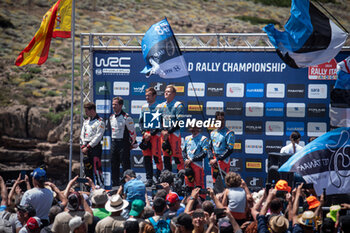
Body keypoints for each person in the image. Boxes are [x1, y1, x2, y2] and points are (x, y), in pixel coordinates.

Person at [109, 97, 136, 186]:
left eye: (115, 104)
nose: (113, 106)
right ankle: (115, 185)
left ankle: (127, 185)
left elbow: (132, 132)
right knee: (113, 164)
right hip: (114, 143)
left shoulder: (126, 117)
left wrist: (132, 143)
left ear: (121, 105)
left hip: (123, 144)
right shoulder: (111, 117)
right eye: (113, 104)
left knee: (125, 165)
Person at [139, 87, 163, 187]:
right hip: (146, 136)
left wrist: (151, 134)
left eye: (149, 95)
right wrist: (144, 132)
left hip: (155, 136)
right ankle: (149, 179)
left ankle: (158, 178)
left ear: (154, 96)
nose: (147, 97)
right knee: (147, 158)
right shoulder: (144, 107)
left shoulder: (160, 107)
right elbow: (140, 122)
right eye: (146, 96)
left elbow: (161, 123)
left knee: (157, 158)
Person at [157, 85, 185, 172]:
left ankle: (180, 181)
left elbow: (179, 122)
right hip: (164, 135)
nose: (166, 93)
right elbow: (158, 121)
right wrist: (162, 131)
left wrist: (167, 132)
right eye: (165, 91)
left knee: (177, 157)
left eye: (168, 91)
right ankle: (168, 180)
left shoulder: (178, 105)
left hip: (174, 134)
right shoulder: (161, 106)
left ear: (174, 94)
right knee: (166, 157)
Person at [80, 102, 105, 187]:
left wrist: (88, 146)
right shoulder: (86, 121)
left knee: (97, 169)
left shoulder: (100, 122)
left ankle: (100, 187)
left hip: (95, 148)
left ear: (92, 110)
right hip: (86, 148)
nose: (85, 113)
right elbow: (82, 134)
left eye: (87, 111)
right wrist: (83, 145)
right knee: (87, 169)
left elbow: (98, 137)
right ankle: (88, 188)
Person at [182, 124, 211, 194]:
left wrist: (192, 159)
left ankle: (201, 201)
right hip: (188, 165)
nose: (193, 129)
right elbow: (183, 151)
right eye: (192, 127)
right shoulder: (187, 138)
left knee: (199, 186)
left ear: (199, 128)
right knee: (188, 186)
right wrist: (186, 159)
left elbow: (204, 153)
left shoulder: (203, 139)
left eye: (195, 127)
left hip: (197, 165)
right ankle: (189, 200)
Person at [209, 111, 235, 182]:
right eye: (219, 120)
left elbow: (230, 149)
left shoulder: (229, 133)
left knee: (223, 181)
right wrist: (211, 158)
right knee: (215, 180)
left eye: (223, 120)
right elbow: (209, 147)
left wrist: (217, 159)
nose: (222, 122)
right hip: (214, 161)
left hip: (223, 161)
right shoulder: (212, 133)